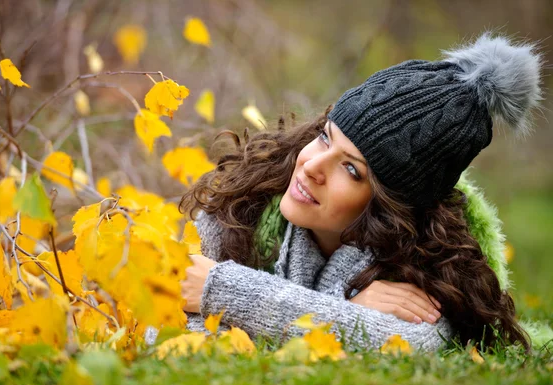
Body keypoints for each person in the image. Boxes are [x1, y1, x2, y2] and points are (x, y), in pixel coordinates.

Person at [147, 32, 545, 352]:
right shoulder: (245, 201)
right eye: (324, 138)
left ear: (389, 207)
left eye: (351, 169)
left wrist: (223, 291)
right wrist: (346, 314)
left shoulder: (426, 259)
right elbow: (157, 328)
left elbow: (415, 341)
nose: (312, 166)